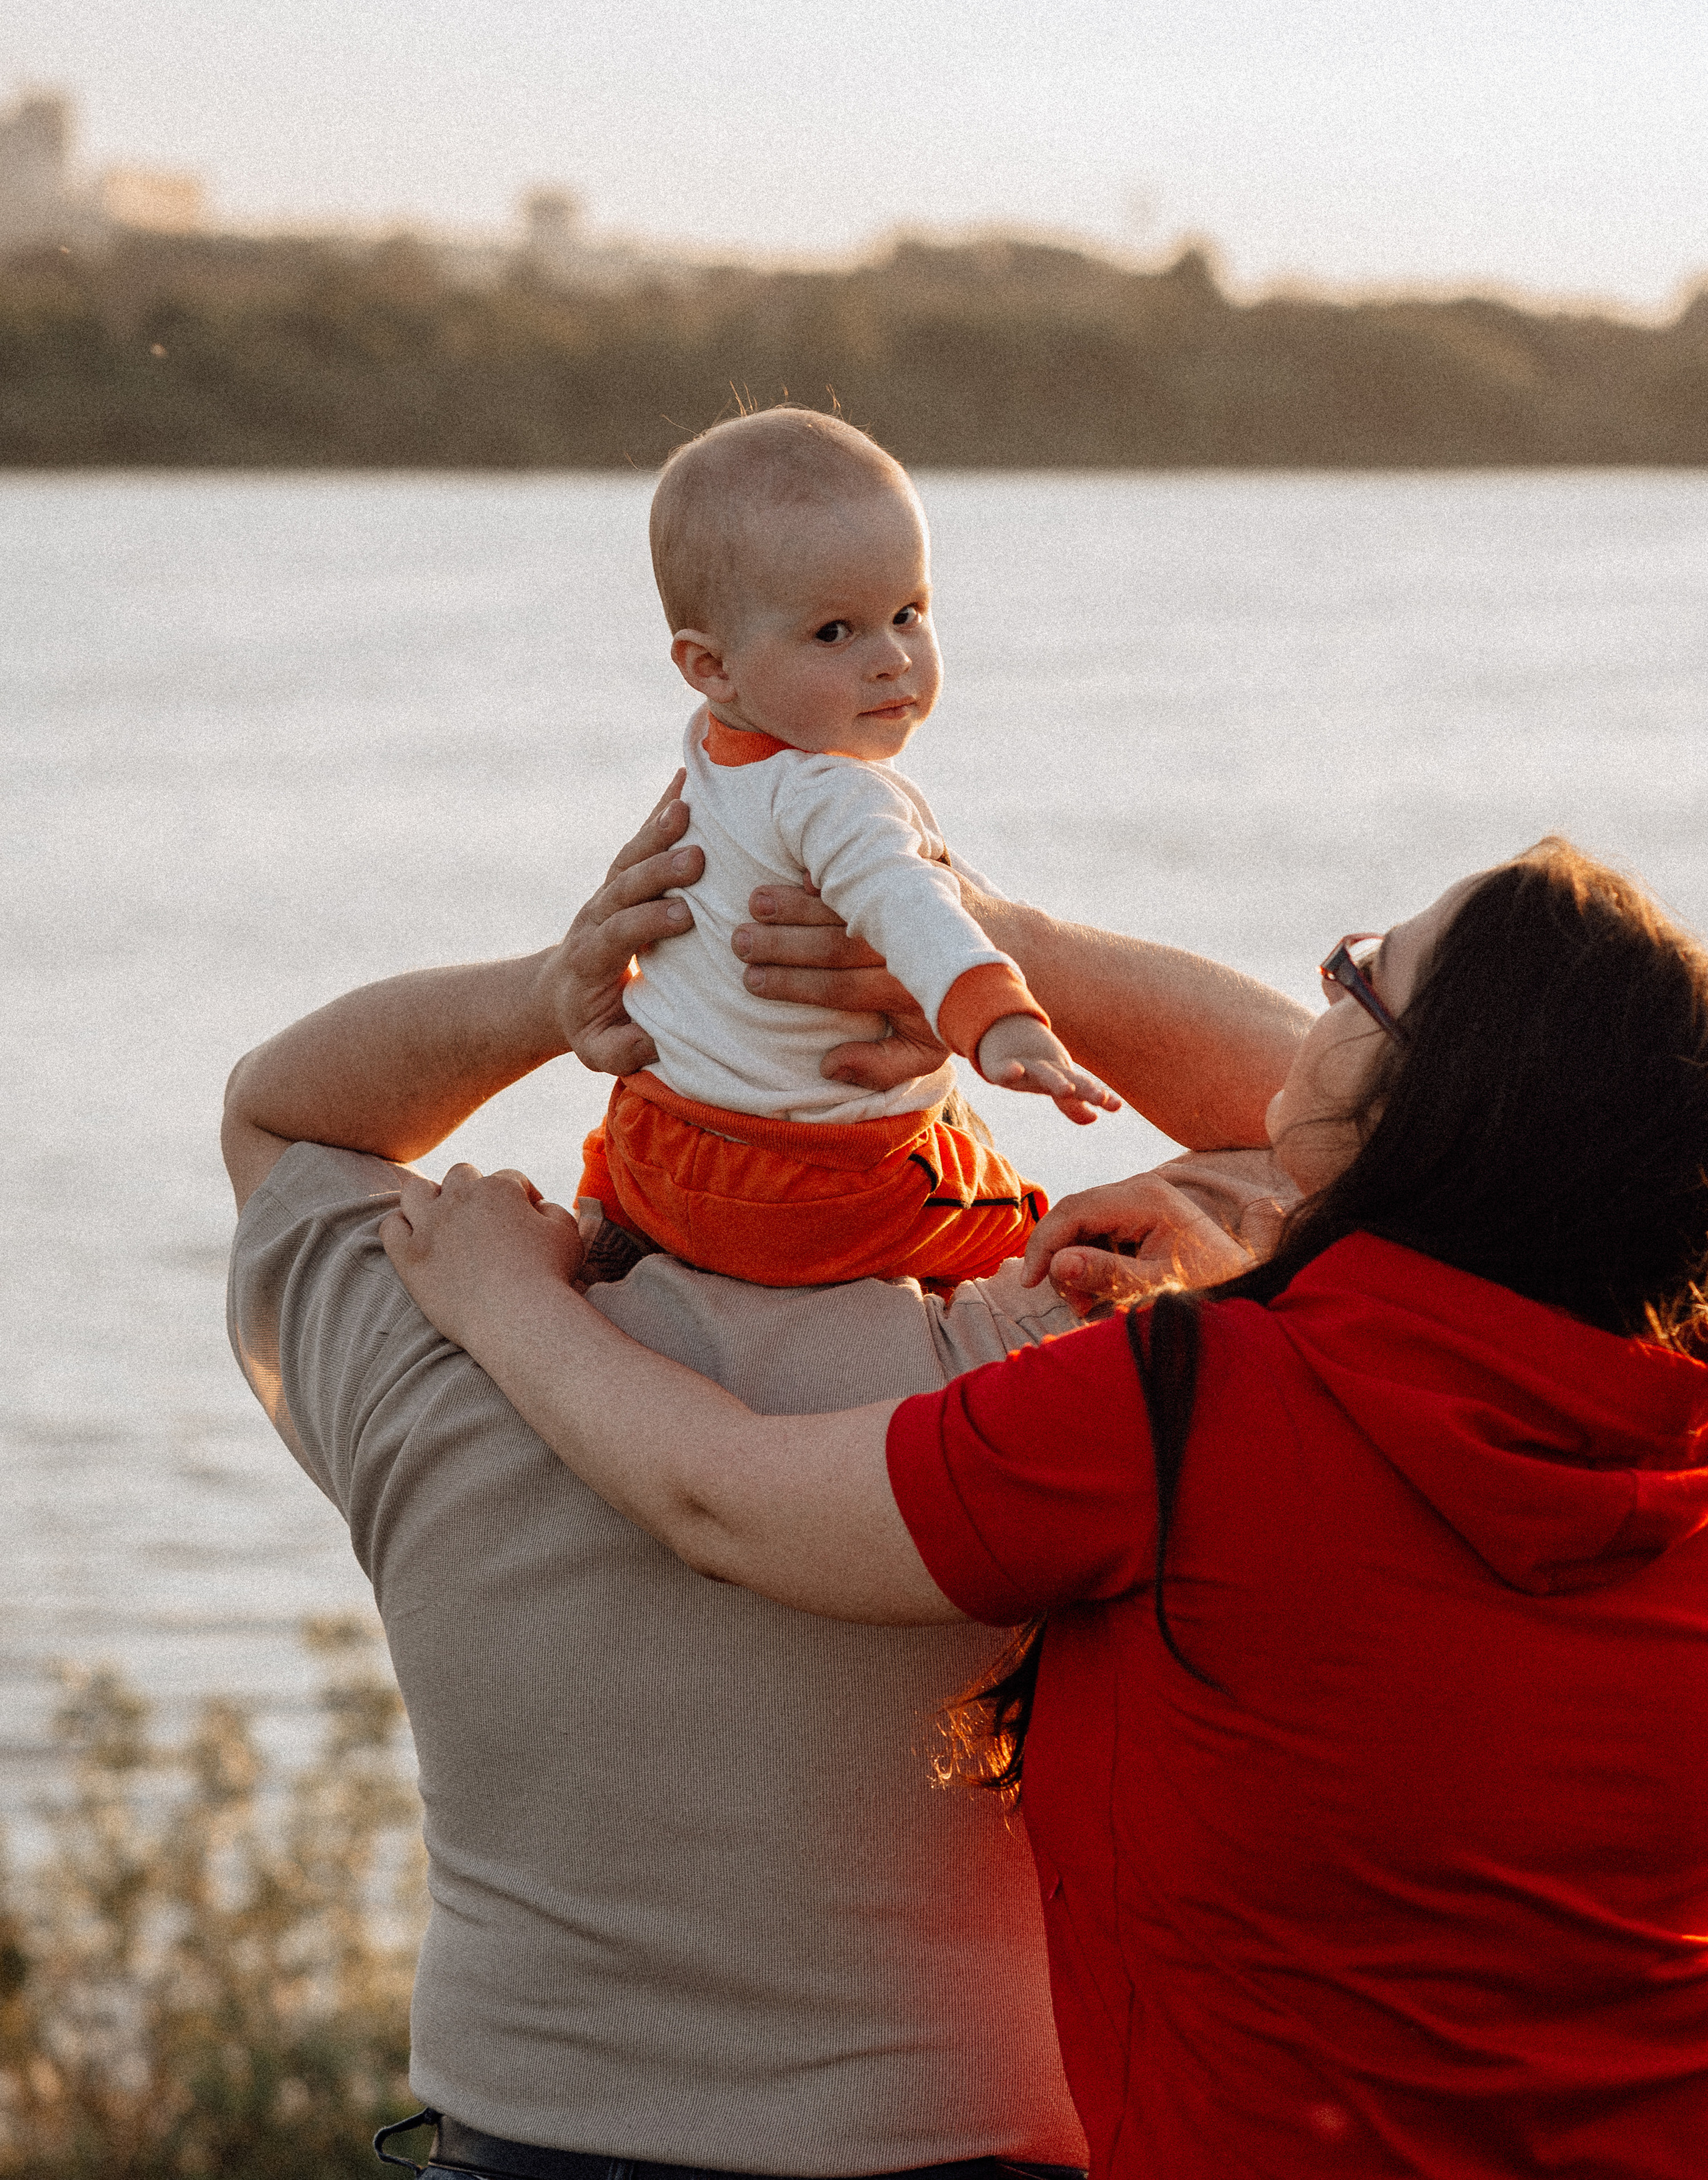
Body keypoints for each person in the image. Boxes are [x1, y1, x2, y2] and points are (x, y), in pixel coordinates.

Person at [380, 839, 1708, 2180]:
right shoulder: (1680, 1445)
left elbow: (721, 1499)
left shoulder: (1189, 1412)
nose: (1316, 1000)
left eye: (1357, 979)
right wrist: (968, 945)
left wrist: (503, 1300)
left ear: (1442, 1106)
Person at [222, 785, 1307, 2180]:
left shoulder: (440, 1345)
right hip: (970, 2153)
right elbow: (1352, 1137)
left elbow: (278, 1115)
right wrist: (980, 941)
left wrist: (551, 994)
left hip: (515, 2150)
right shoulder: (1031, 1368)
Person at [578, 406, 1117, 1293]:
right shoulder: (834, 793)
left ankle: (615, 1241)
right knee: (1017, 1220)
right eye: (835, 632)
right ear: (711, 666)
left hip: (656, 1148)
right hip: (808, 1189)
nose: (892, 657)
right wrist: (999, 1019)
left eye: (908, 612)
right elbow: (908, 899)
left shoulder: (712, 752)